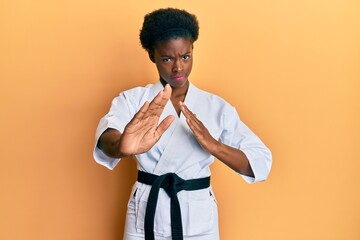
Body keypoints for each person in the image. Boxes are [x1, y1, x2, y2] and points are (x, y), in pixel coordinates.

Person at [93, 8, 272, 240]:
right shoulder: (133, 99)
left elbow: (261, 162)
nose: (178, 68)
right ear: (152, 55)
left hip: (199, 217)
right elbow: (107, 137)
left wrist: (214, 146)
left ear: (192, 51)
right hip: (146, 212)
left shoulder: (215, 107)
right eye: (167, 59)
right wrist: (120, 147)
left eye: (185, 57)